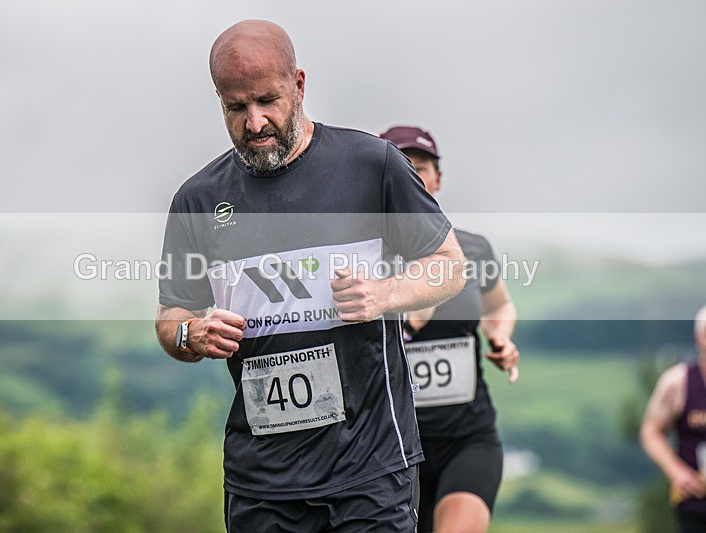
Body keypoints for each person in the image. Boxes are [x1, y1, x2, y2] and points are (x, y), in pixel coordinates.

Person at [155, 21, 466, 532]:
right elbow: (172, 315)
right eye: (236, 108)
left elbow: (449, 265)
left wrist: (385, 293)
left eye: (267, 101)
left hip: (370, 473)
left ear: (298, 85)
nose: (255, 122)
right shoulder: (197, 201)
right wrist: (192, 333)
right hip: (262, 484)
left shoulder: (373, 165)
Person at [380, 125, 520, 533]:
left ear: (437, 179)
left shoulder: (472, 248)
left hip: (468, 438)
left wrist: (500, 337)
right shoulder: (360, 259)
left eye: (420, 168)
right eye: (399, 167)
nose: (411, 176)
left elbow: (501, 305)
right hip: (391, 451)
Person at [641, 305, 706, 532]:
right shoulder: (677, 382)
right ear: (699, 338)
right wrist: (676, 471)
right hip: (695, 504)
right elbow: (651, 431)